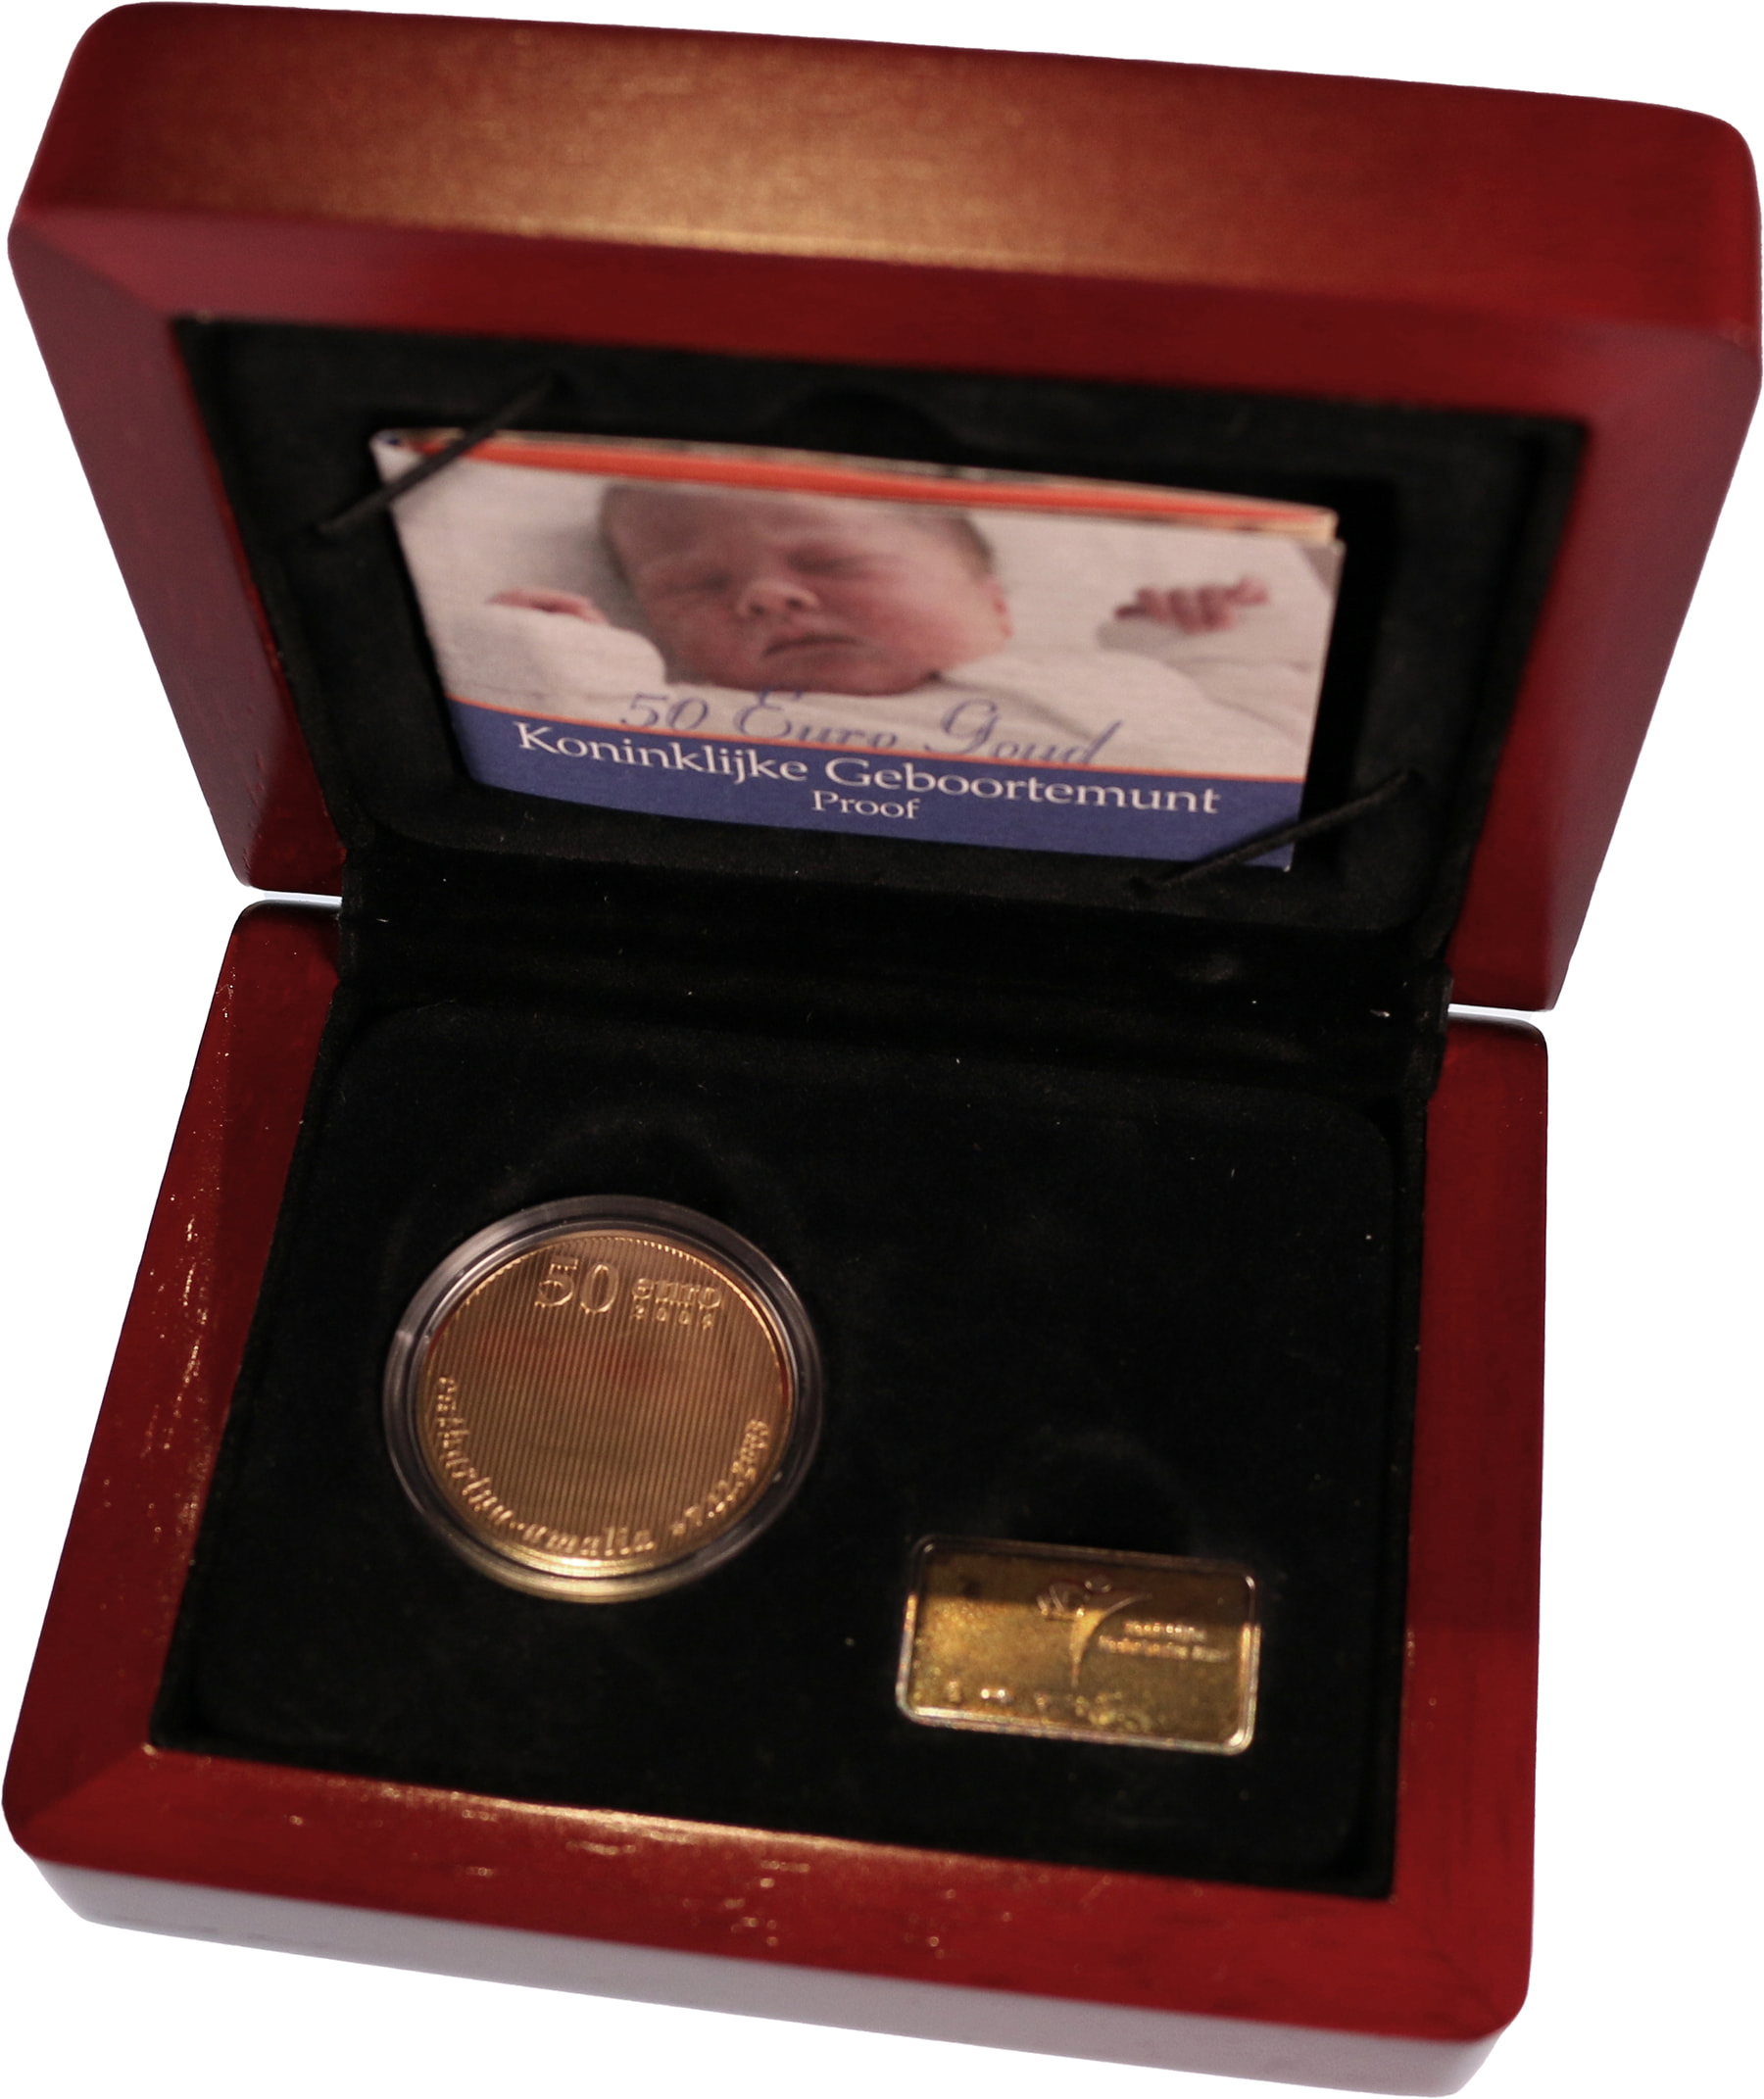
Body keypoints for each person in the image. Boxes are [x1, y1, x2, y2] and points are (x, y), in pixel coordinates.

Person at [425, 483, 1328, 777]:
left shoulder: (1125, 679)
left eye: (833, 562)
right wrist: (552, 646)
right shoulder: (689, 724)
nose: (767, 596)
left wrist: (1213, 637)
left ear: (995, 604)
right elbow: (566, 718)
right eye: (697, 586)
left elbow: (1285, 731)